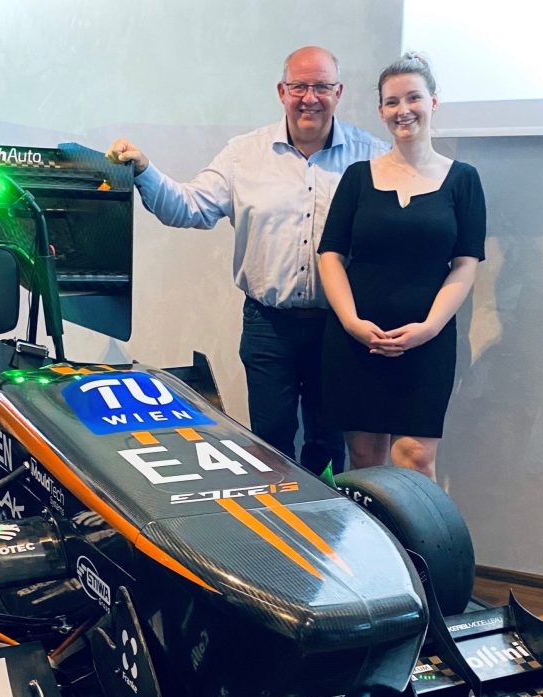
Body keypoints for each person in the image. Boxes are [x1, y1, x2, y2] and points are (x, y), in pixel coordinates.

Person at [107, 46, 387, 476]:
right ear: (281, 91)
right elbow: (188, 207)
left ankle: (323, 519)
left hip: (338, 329)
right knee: (269, 445)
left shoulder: (372, 157)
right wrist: (144, 170)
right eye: (299, 86)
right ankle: (279, 518)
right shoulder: (244, 155)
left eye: (321, 87)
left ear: (339, 92)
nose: (310, 98)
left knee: (327, 445)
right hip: (267, 326)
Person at [317, 52, 486, 480]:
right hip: (358, 339)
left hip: (427, 341)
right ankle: (371, 532)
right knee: (364, 460)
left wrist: (428, 328)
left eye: (413, 97)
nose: (403, 110)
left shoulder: (463, 179)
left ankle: (422, 533)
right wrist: (352, 322)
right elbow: (330, 254)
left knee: (416, 457)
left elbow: (465, 264)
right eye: (391, 101)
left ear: (434, 102)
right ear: (381, 111)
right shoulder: (357, 177)